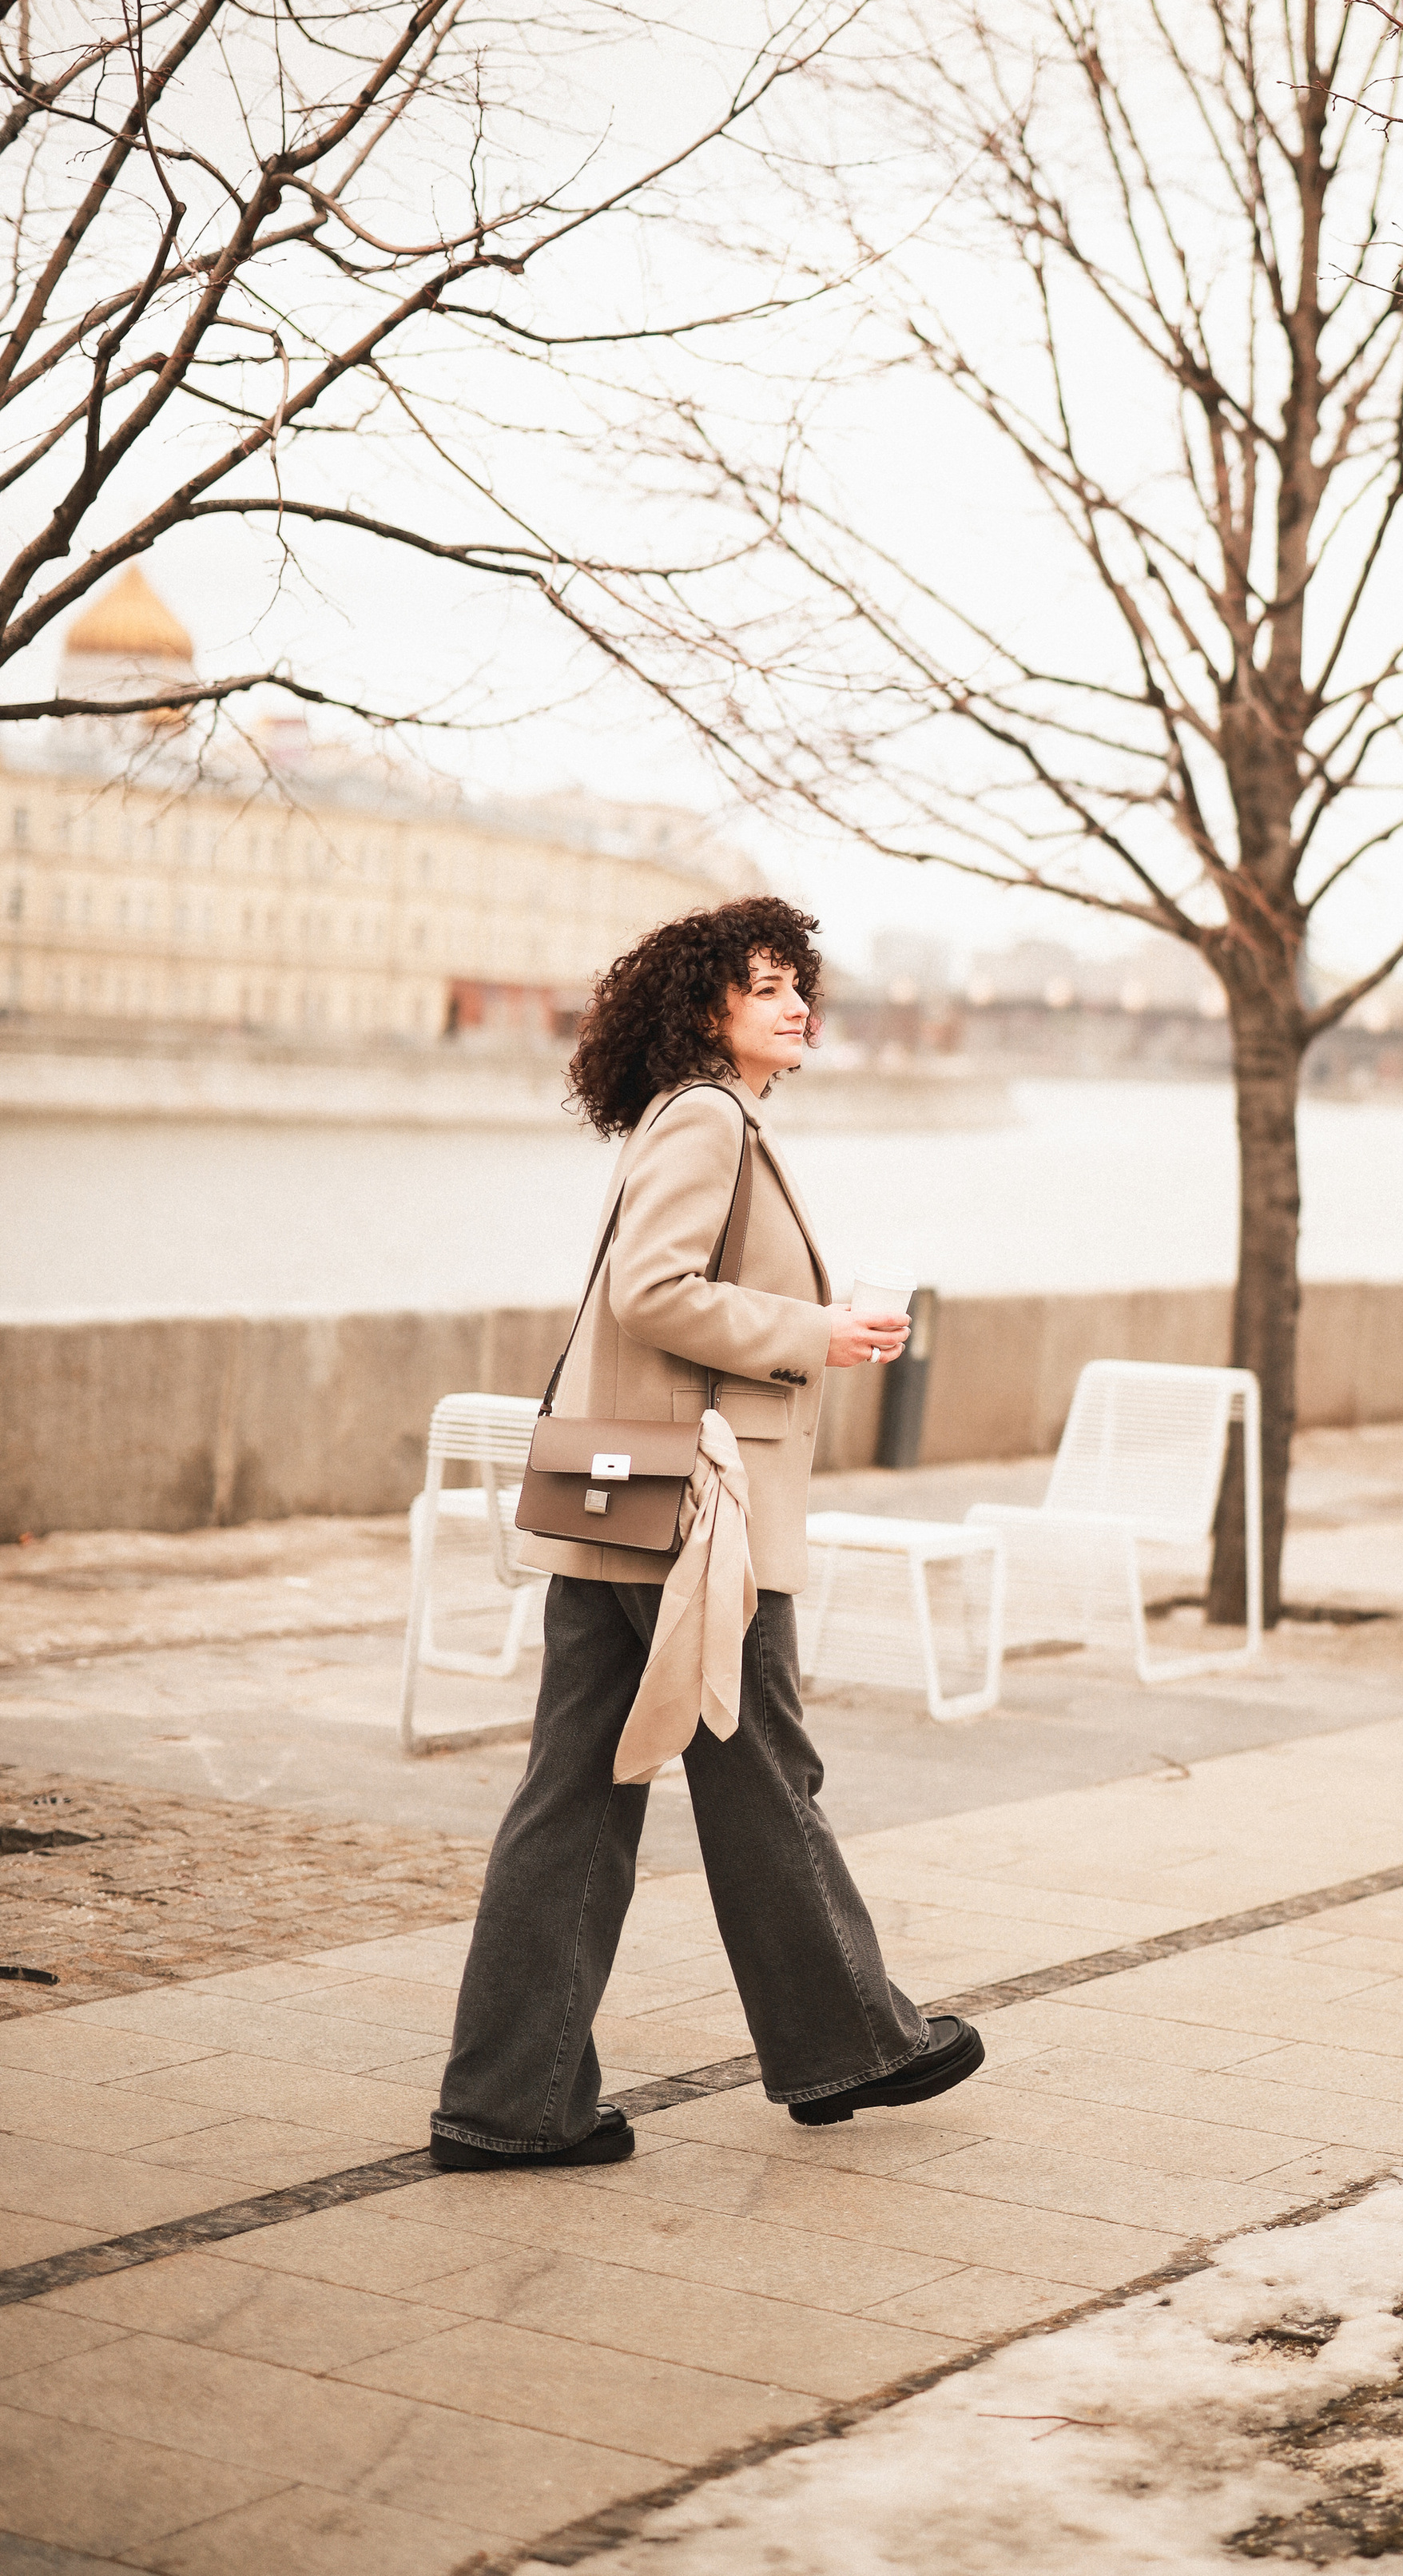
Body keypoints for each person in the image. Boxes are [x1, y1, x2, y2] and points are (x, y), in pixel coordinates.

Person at [429, 895, 985, 2169]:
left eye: (802, 985)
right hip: (693, 1508)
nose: (799, 1006)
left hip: (622, 1488)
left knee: (576, 1793)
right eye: (770, 985)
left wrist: (810, 1323)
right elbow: (654, 1291)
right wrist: (812, 1335)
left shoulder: (696, 1117)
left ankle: (509, 2103)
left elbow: (648, 1299)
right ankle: (851, 2043)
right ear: (708, 1007)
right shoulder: (706, 1116)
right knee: (760, 1771)